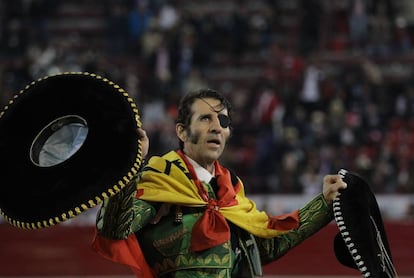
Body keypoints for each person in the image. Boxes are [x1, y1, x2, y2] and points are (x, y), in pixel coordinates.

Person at [92, 88, 347, 278]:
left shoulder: (231, 192)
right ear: (181, 131)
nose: (216, 128)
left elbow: (268, 245)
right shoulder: (158, 180)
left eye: (223, 121)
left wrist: (324, 202)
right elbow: (115, 229)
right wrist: (129, 166)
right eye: (205, 119)